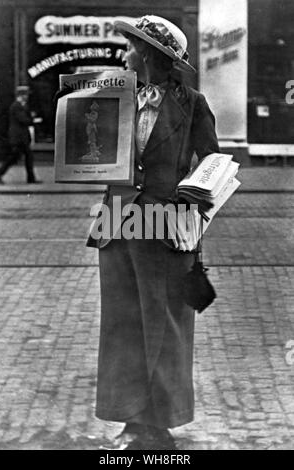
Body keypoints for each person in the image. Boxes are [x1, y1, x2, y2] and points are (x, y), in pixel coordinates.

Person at [86, 15, 220, 450]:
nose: (122, 53)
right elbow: (88, 149)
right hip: (117, 222)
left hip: (166, 228)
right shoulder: (111, 98)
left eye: (128, 46)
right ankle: (129, 420)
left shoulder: (192, 103)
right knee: (122, 325)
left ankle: (159, 424)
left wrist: (191, 213)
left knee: (165, 326)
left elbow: (213, 165)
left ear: (147, 54)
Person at [0, 86, 41, 184]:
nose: (27, 97)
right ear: (21, 95)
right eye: (26, 95)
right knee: (14, 157)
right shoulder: (16, 106)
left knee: (27, 157)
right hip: (18, 138)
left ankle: (31, 179)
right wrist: (33, 119)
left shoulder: (22, 106)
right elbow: (24, 120)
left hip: (21, 138)